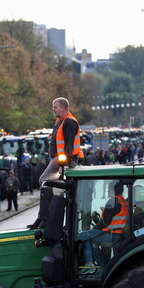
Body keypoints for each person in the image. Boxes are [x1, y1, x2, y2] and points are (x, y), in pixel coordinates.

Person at [30, 97, 82, 229]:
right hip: (59, 159)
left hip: (63, 160)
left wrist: (65, 164)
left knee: (44, 181)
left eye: (55, 106)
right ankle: (43, 217)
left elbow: (69, 146)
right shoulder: (60, 120)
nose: (53, 109)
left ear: (63, 108)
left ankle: (44, 218)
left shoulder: (69, 122)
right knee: (46, 184)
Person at [78, 181, 128, 273]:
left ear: (113, 189)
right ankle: (102, 267)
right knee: (91, 240)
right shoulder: (122, 201)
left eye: (108, 190)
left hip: (112, 233)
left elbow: (105, 222)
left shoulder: (113, 201)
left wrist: (97, 223)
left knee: (83, 236)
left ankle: (90, 265)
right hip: (117, 232)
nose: (108, 192)